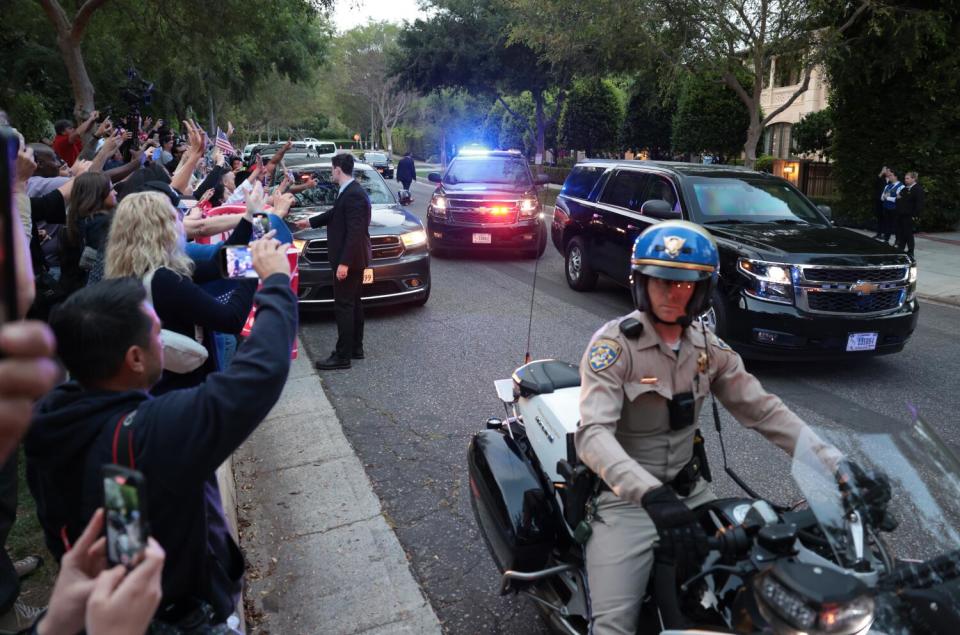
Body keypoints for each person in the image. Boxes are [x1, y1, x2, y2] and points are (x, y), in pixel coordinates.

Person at [575, 221, 878, 635]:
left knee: (752, 578)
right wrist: (649, 494)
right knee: (614, 624)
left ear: (701, 290)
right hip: (627, 503)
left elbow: (766, 411)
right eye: (660, 281)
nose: (670, 292)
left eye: (684, 284)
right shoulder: (614, 348)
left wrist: (837, 466)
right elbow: (592, 435)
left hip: (691, 493)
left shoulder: (708, 349)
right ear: (641, 284)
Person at [26, 239, 296, 630]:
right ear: (134, 358)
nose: (162, 338)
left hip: (115, 608)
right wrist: (274, 282)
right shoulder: (152, 432)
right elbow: (258, 376)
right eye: (157, 331)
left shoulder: (54, 419)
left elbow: (111, 526)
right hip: (178, 618)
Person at [103, 191, 257, 393]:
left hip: (159, 384)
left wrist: (251, 217)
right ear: (162, 229)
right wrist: (254, 267)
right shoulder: (164, 280)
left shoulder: (137, 270)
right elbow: (231, 319)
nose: (181, 223)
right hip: (182, 388)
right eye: (175, 217)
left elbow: (215, 267)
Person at [295, 152, 371, 369]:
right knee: (354, 304)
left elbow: (355, 231)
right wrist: (309, 222)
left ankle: (342, 356)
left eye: (332, 169)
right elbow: (336, 214)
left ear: (338, 170)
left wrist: (344, 263)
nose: (331, 173)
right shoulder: (348, 191)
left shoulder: (353, 194)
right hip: (354, 258)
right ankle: (356, 348)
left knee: (344, 306)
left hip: (350, 259)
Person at [895, 171, 924, 259]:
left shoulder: (917, 189)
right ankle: (901, 249)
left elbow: (919, 204)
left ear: (913, 179)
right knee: (902, 233)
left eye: (907, 178)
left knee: (908, 234)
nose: (905, 180)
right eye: (905, 178)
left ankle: (911, 251)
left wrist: (914, 215)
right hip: (901, 215)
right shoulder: (905, 189)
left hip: (909, 215)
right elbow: (898, 199)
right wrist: (898, 199)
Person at [877, 168, 904, 244]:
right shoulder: (887, 186)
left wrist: (887, 197)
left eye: (891, 175)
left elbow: (898, 200)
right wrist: (886, 197)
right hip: (886, 208)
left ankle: (897, 241)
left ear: (896, 176)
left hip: (895, 209)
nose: (889, 177)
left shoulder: (901, 186)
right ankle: (886, 240)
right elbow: (882, 198)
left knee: (896, 225)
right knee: (887, 225)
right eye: (889, 175)